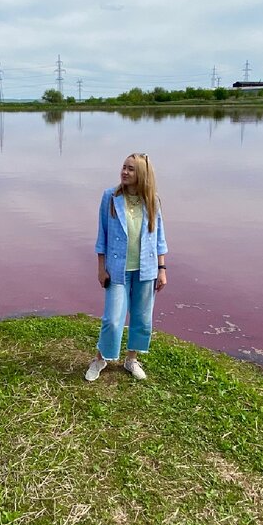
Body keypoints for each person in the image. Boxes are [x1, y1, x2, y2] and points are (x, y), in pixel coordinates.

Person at [87, 152, 167, 381]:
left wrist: (162, 270)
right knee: (112, 319)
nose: (124, 172)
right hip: (117, 270)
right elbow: (102, 236)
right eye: (124, 167)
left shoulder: (152, 200)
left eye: (131, 169)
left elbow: (159, 237)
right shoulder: (110, 198)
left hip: (146, 270)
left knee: (142, 317)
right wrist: (101, 268)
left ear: (142, 174)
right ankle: (99, 358)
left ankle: (131, 359)